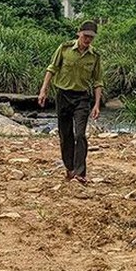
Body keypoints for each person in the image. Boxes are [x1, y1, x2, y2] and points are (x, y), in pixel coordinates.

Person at [38, 20, 104, 184]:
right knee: (65, 134)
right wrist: (43, 90)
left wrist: (96, 104)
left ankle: (80, 172)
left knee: (80, 134)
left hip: (82, 97)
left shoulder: (95, 56)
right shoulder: (65, 49)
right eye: (85, 35)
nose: (87, 39)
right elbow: (52, 68)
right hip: (63, 95)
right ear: (78, 33)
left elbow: (97, 81)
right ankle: (69, 168)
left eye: (91, 37)